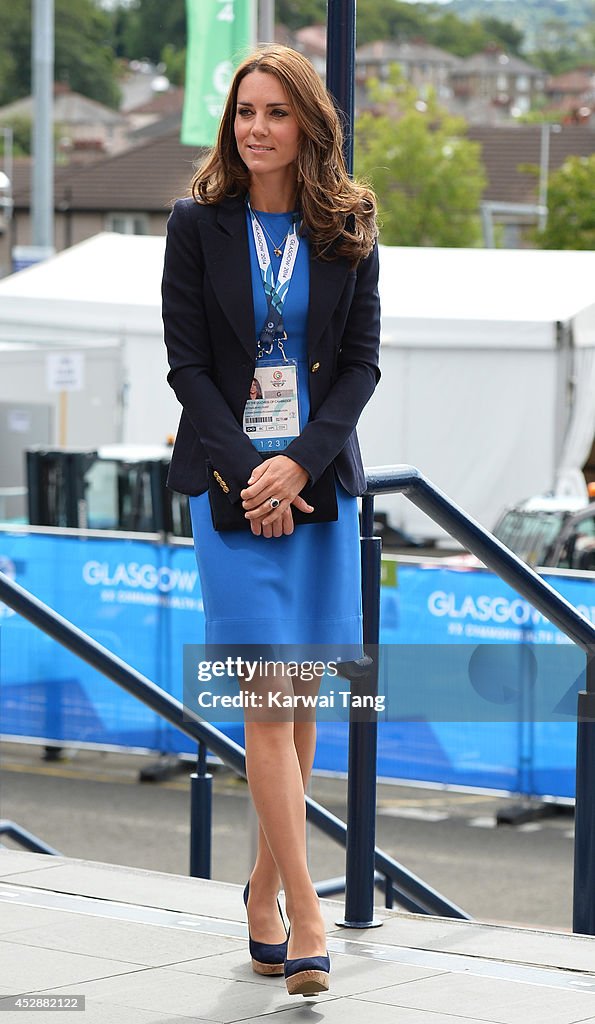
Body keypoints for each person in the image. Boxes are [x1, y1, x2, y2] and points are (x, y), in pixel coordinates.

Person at [162, 45, 380, 997]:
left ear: (308, 126)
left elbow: (363, 363)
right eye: (244, 111)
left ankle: (258, 891)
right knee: (265, 700)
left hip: (319, 485)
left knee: (299, 704)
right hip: (228, 486)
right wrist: (255, 476)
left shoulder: (347, 225)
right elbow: (188, 368)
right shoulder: (195, 222)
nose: (255, 128)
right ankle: (308, 906)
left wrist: (301, 465)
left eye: (275, 113)